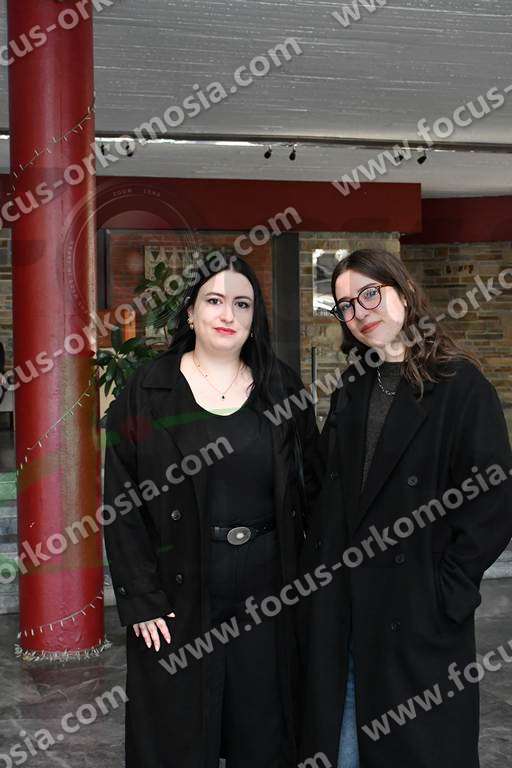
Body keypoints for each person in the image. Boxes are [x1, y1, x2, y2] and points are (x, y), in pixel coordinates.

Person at [103, 251, 319, 768]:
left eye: (242, 304)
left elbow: (312, 490)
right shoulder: (147, 389)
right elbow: (122, 501)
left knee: (264, 729)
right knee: (178, 732)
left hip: (269, 585)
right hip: (178, 585)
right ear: (190, 311)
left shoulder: (283, 386)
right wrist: (141, 598)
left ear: (255, 317)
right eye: (214, 300)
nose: (228, 314)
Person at [298, 248, 512, 768]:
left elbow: (492, 502)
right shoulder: (353, 385)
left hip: (415, 613)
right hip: (345, 612)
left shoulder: (460, 386)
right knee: (343, 747)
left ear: (405, 291)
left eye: (369, 294)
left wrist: (446, 591)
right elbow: (331, 491)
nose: (359, 312)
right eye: (346, 305)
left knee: (415, 749)